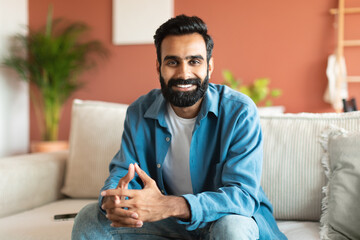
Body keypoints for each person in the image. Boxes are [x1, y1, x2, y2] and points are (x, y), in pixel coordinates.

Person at [72, 14, 287, 240]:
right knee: (90, 217)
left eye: (194, 61)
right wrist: (112, 200)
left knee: (230, 228)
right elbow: (124, 171)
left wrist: (169, 205)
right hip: (169, 224)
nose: (184, 73)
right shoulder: (139, 111)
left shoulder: (239, 112)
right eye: (173, 62)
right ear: (159, 67)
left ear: (209, 66)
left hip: (224, 219)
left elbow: (242, 196)